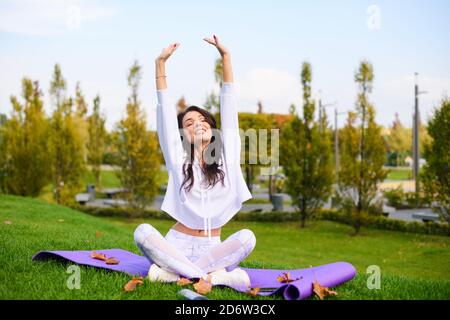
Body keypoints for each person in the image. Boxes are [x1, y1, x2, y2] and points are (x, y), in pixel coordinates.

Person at [134, 35, 255, 290]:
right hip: (176, 244)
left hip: (213, 248)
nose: (197, 123)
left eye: (202, 120)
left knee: (248, 238)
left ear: (212, 129)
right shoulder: (178, 160)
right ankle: (214, 278)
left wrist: (226, 57)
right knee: (142, 232)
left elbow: (229, 104)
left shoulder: (227, 157)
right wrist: (160, 65)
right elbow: (165, 110)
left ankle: (174, 275)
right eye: (189, 123)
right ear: (182, 136)